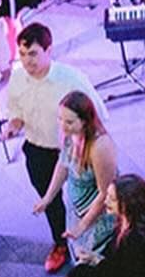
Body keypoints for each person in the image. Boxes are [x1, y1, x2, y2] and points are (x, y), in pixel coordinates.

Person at [3, 22, 106, 274]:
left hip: (76, 152)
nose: (27, 61)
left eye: (34, 54)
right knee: (50, 203)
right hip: (38, 149)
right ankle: (60, 243)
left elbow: (99, 116)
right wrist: (12, 125)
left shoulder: (71, 79)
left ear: (49, 51)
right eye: (23, 55)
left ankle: (96, 246)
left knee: (87, 199)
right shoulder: (17, 78)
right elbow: (16, 112)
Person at [34, 91, 117, 261]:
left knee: (94, 260)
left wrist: (83, 225)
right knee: (79, 254)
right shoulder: (69, 135)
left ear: (85, 121)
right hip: (77, 210)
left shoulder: (100, 147)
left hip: (96, 217)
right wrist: (48, 198)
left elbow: (105, 193)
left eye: (69, 122)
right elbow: (63, 164)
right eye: (60, 119)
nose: (63, 126)